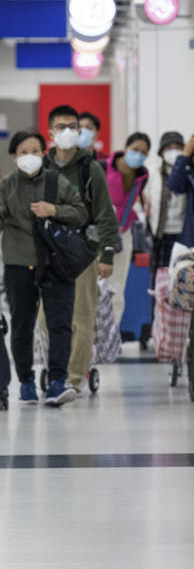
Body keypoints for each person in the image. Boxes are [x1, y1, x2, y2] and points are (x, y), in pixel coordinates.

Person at [0, 131, 88, 406]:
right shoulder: (7, 186)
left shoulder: (55, 181)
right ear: (14, 157)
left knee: (59, 324)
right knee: (22, 324)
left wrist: (54, 210)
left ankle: (58, 381)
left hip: (55, 262)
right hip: (18, 263)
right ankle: (25, 381)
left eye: (36, 151)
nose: (30, 157)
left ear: (43, 153)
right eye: (23, 152)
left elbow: (81, 212)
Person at [39, 105, 117, 394]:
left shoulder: (89, 168)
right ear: (50, 132)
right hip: (46, 252)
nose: (68, 132)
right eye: (61, 127)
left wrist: (106, 254)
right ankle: (60, 368)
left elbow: (106, 214)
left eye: (73, 126)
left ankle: (72, 378)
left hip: (82, 252)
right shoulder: (42, 167)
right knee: (45, 319)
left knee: (80, 316)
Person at [103, 132, 151, 323]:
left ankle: (111, 338)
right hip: (98, 236)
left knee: (117, 289)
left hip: (123, 236)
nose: (138, 155)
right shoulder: (102, 167)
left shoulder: (142, 176)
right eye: (135, 149)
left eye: (144, 152)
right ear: (125, 147)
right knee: (93, 289)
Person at [145, 132, 187, 271]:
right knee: (160, 279)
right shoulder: (152, 172)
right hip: (159, 233)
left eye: (177, 147)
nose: (173, 151)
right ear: (162, 152)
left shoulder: (188, 172)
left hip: (184, 233)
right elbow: (143, 199)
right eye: (169, 148)